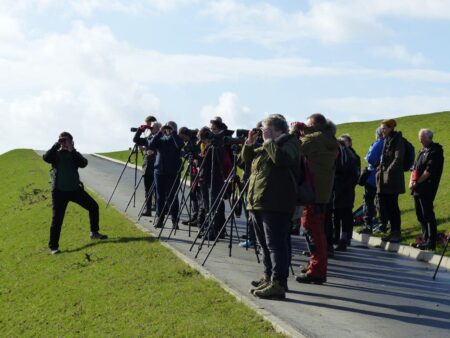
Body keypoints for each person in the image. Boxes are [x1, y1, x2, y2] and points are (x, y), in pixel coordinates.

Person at [242, 114, 301, 299]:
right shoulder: (267, 145)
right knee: (264, 245)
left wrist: (268, 141)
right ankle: (268, 277)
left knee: (276, 245)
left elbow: (282, 160)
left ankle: (278, 283)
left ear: (278, 129)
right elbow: (248, 163)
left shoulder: (290, 143)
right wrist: (250, 144)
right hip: (260, 201)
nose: (262, 131)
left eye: (265, 128)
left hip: (277, 202)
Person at [43, 132, 107, 255]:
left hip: (75, 190)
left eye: (66, 140)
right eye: (62, 140)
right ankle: (53, 247)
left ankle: (94, 233)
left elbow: (83, 163)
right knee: (57, 219)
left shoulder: (74, 154)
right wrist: (57, 144)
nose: (63, 142)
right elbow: (46, 158)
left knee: (93, 206)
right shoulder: (55, 154)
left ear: (72, 142)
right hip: (59, 192)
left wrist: (71, 149)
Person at [293, 113, 339, 284]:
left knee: (314, 233)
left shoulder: (314, 140)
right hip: (321, 192)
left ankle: (317, 271)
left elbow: (294, 149)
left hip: (313, 193)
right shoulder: (328, 139)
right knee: (316, 232)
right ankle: (315, 265)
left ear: (313, 124)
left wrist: (294, 131)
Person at [410, 129, 444, 251]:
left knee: (427, 214)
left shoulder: (435, 151)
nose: (420, 139)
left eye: (422, 137)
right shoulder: (421, 151)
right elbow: (414, 168)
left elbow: (428, 171)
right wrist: (412, 182)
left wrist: (417, 182)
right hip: (417, 188)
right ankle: (424, 239)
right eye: (419, 137)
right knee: (420, 215)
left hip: (427, 187)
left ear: (429, 138)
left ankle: (431, 241)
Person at [148, 121, 184, 229]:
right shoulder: (160, 138)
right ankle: (160, 219)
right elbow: (151, 145)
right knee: (160, 197)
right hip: (159, 171)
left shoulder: (177, 138)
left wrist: (173, 133)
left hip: (173, 172)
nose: (168, 129)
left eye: (170, 128)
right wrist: (160, 132)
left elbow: (180, 145)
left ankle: (174, 221)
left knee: (173, 197)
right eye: (167, 127)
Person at [376, 119, 405, 243]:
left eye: (384, 128)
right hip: (384, 179)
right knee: (387, 206)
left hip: (393, 180)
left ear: (391, 128)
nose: (382, 130)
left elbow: (398, 159)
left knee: (393, 207)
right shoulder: (386, 140)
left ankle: (397, 232)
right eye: (381, 128)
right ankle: (392, 232)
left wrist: (388, 171)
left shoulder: (398, 141)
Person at [332, 135, 360, 251]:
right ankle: (343, 237)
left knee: (341, 214)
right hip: (346, 188)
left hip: (341, 188)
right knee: (343, 214)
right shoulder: (353, 155)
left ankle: (341, 238)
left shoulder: (346, 155)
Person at [358, 127, 385, 234]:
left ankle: (368, 225)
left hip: (372, 176)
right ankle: (383, 224)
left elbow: (370, 158)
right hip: (383, 177)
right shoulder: (389, 143)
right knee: (381, 201)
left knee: (368, 200)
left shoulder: (379, 143)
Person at [133, 116, 159, 216]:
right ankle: (148, 210)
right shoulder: (149, 138)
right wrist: (140, 129)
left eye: (154, 127)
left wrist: (154, 152)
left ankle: (158, 211)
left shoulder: (161, 139)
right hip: (147, 168)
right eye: (151, 127)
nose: (151, 129)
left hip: (156, 168)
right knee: (147, 190)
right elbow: (135, 139)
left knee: (157, 191)